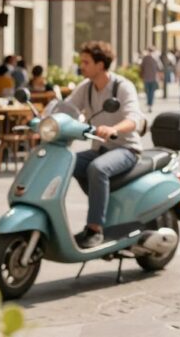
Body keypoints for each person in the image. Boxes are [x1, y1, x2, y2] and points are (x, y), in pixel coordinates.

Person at [65, 41, 145, 249]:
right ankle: (100, 204)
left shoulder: (122, 86)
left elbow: (134, 118)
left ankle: (94, 229)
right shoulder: (86, 87)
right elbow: (67, 108)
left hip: (126, 149)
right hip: (99, 148)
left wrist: (114, 129)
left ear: (100, 65)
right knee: (67, 161)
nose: (81, 66)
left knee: (97, 169)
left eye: (86, 62)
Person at [139, 48, 163, 113]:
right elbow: (160, 67)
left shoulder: (145, 58)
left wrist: (141, 75)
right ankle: (150, 104)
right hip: (153, 78)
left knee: (147, 92)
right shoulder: (156, 58)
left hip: (146, 78)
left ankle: (149, 103)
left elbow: (141, 67)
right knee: (152, 92)